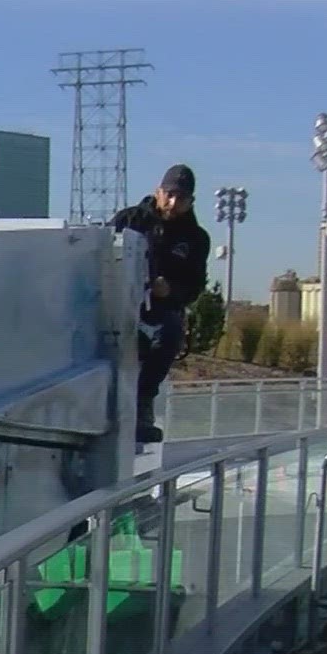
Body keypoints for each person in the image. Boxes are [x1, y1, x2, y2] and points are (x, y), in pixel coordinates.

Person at [112, 164, 211, 445]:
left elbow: (194, 287)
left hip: (159, 309)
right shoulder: (129, 219)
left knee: (169, 335)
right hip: (117, 301)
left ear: (191, 201)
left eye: (181, 198)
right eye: (169, 194)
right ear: (158, 192)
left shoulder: (195, 238)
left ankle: (143, 402)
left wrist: (170, 290)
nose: (173, 202)